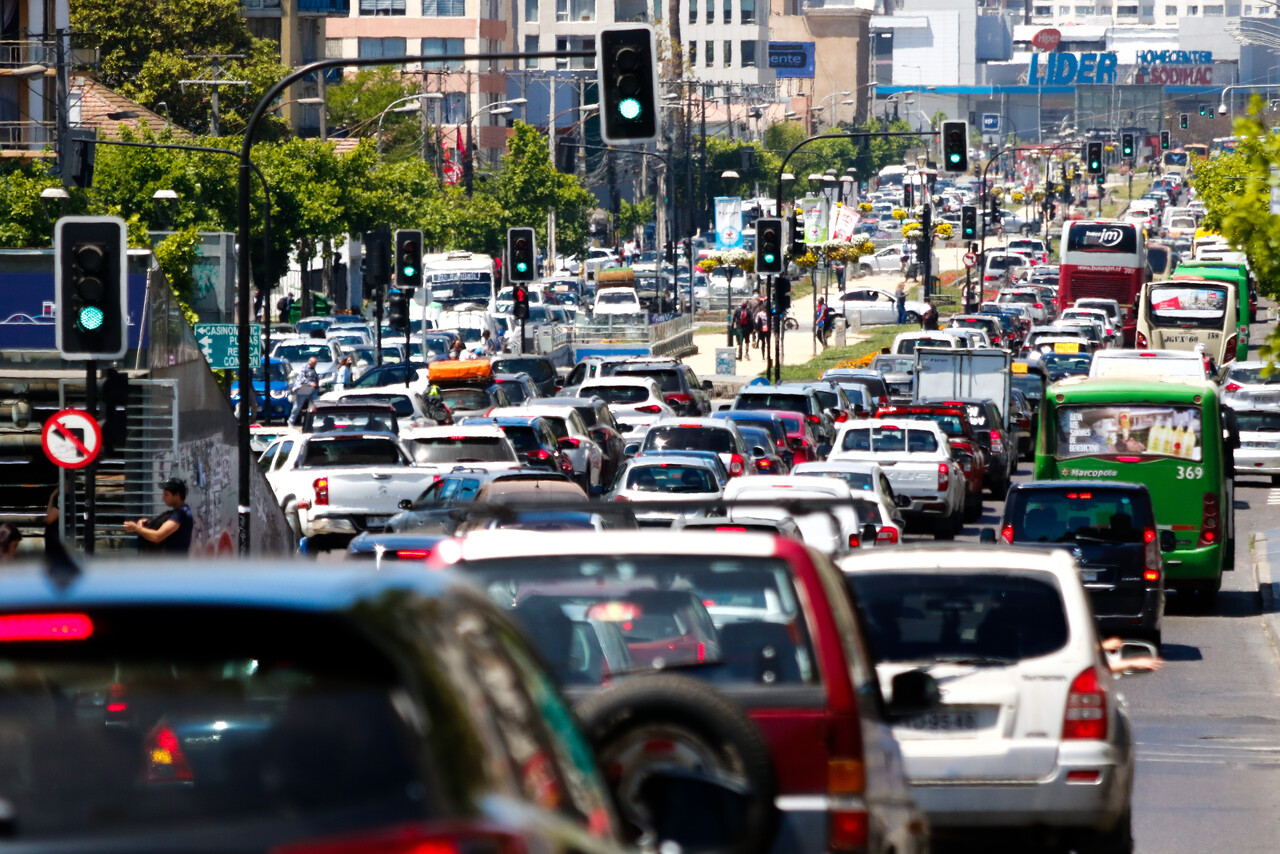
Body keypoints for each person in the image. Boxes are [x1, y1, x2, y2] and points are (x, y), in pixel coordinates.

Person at [123, 478, 193, 554]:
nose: (163, 497)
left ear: (177, 495)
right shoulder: (178, 512)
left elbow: (157, 536)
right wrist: (142, 527)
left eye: (166, 494)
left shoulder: (180, 514)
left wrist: (136, 528)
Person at [288, 356, 320, 426]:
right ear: (310, 362)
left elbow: (315, 378)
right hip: (304, 389)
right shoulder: (304, 368)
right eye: (314, 364)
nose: (315, 365)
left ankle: (315, 420)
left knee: (315, 404)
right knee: (298, 405)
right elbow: (302, 378)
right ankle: (291, 421)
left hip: (312, 390)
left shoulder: (313, 369)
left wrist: (316, 386)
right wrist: (310, 383)